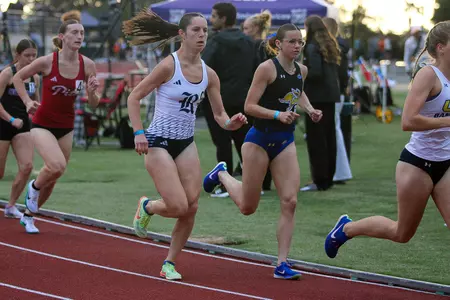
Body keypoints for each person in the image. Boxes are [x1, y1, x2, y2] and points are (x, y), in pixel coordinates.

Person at [123, 10, 247, 280]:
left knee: (191, 206)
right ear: (182, 34)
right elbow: (134, 97)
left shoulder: (209, 74)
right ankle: (147, 207)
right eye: (196, 31)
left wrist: (231, 124)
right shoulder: (169, 66)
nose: (202, 35)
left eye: (205, 30)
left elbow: (219, 114)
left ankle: (169, 263)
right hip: (157, 142)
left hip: (185, 142)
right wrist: (138, 133)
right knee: (178, 206)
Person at [203, 23, 323, 279]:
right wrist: (278, 114)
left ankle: (281, 263)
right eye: (292, 41)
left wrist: (310, 109)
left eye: (300, 41)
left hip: (284, 142)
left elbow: (297, 91)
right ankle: (222, 174)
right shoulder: (267, 69)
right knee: (248, 206)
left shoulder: (302, 69)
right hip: (258, 140)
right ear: (278, 44)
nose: (297, 46)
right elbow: (249, 106)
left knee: (290, 202)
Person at [325, 21, 450, 259]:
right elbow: (408, 120)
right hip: (418, 164)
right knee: (402, 233)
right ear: (442, 47)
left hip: (446, 163)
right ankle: (347, 229)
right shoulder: (428, 75)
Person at [12, 10, 100, 233]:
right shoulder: (46, 62)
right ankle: (33, 187)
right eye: (74, 32)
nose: (79, 36)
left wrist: (91, 93)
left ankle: (29, 216)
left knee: (55, 175)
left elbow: (93, 103)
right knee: (56, 165)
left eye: (82, 33)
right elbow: (17, 78)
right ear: (62, 37)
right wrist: (26, 101)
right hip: (42, 123)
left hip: (66, 126)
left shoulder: (87, 65)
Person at [201, 2, 255, 197]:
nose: (211, 19)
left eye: (214, 16)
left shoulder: (215, 42)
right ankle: (251, 184)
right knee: (245, 143)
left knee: (222, 143)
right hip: (244, 99)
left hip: (219, 101)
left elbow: (203, 69)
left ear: (223, 19)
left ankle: (225, 185)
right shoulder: (249, 41)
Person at [300, 15, 341, 192]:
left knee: (316, 140)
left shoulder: (311, 47)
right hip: (331, 96)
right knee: (329, 137)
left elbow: (314, 73)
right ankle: (328, 177)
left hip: (316, 97)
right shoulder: (330, 45)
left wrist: (301, 75)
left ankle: (319, 179)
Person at [0, 39, 39, 219]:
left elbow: (36, 102)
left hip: (23, 126)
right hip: (3, 124)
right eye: (27, 55)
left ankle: (11, 205)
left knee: (27, 166)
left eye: (34, 55)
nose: (31, 59)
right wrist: (11, 118)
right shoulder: (7, 74)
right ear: (18, 55)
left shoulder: (35, 77)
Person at [242, 9, 274, 191]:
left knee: (258, 140)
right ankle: (264, 180)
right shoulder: (267, 46)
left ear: (254, 28)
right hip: (265, 99)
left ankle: (261, 180)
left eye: (246, 28)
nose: (244, 32)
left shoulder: (257, 47)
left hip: (259, 99)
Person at [322, 17, 352, 184]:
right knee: (335, 129)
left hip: (333, 94)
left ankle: (338, 172)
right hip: (338, 93)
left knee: (334, 130)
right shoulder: (341, 47)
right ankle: (339, 171)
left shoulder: (335, 47)